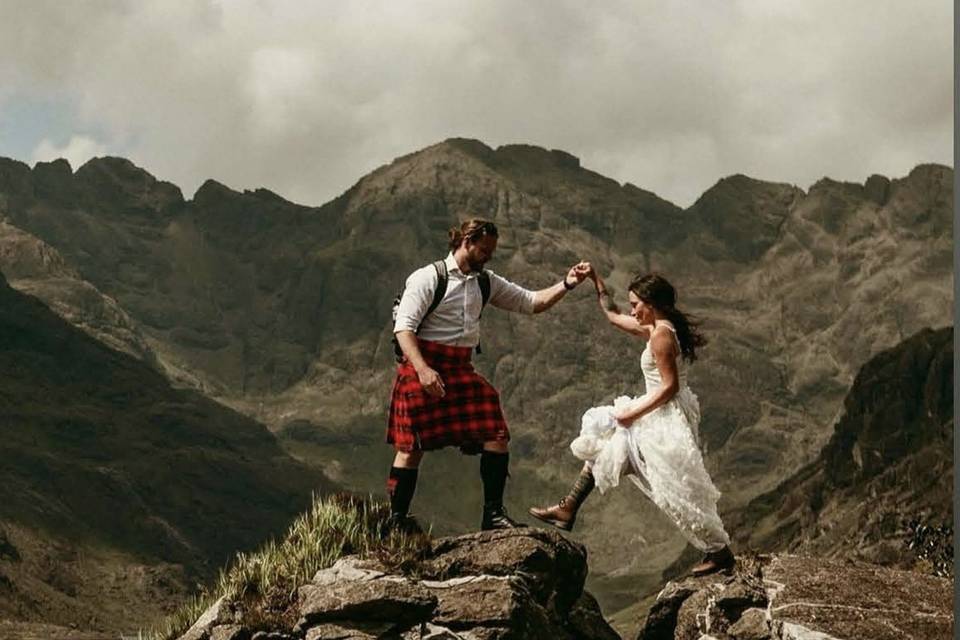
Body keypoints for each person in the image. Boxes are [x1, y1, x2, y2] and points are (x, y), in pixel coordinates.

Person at [528, 269, 736, 576]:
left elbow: (670, 387)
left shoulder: (661, 335)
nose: (632, 309)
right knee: (609, 446)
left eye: (636, 303)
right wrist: (596, 281)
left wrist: (631, 414)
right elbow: (612, 316)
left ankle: (719, 551)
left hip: (663, 417)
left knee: (670, 488)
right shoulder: (654, 328)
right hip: (655, 412)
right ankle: (568, 508)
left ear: (651, 303)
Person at [387, 218, 591, 531]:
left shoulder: (486, 281)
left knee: (496, 433)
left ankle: (492, 515)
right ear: (466, 241)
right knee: (411, 447)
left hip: (459, 368)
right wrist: (423, 369)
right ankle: (396, 522)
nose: (488, 256)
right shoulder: (428, 278)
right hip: (422, 366)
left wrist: (567, 284)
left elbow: (530, 302)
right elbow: (404, 328)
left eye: (491, 251)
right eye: (484, 249)